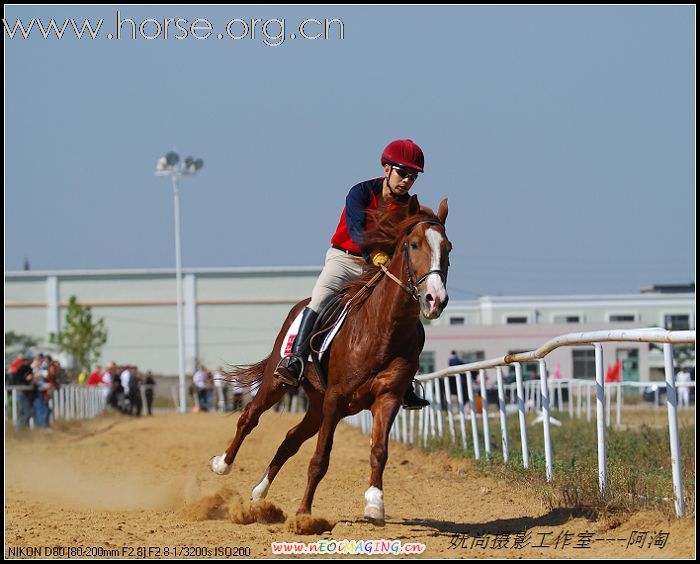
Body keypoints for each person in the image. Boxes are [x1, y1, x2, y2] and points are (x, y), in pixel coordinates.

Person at [273, 139, 429, 410]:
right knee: (319, 301)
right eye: (402, 173)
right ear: (386, 168)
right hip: (343, 260)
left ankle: (406, 382)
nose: (407, 180)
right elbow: (357, 230)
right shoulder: (360, 192)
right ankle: (295, 359)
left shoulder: (408, 207)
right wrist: (374, 253)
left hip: (378, 267)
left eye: (413, 176)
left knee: (411, 319)